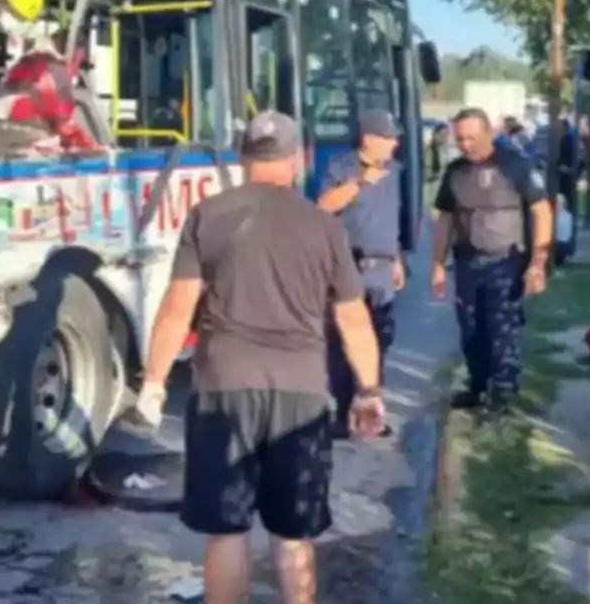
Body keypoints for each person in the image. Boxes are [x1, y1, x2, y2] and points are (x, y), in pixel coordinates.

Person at [133, 111, 384, 604]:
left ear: (244, 159)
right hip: (302, 394)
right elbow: (354, 320)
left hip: (224, 391)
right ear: (298, 160)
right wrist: (369, 391)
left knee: (227, 532)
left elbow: (176, 307)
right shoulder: (323, 226)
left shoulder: (209, 214)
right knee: (292, 535)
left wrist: (154, 381)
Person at [432, 108, 554, 417]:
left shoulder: (515, 164)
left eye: (472, 137)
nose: (466, 144)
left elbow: (542, 211)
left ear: (489, 132)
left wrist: (538, 260)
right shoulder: (455, 171)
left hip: (507, 262)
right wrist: (437, 262)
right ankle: (478, 385)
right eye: (460, 139)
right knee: (471, 328)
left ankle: (502, 392)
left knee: (502, 329)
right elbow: (445, 219)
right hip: (467, 263)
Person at [317, 110, 404, 439]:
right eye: (389, 137)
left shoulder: (394, 171)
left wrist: (396, 258)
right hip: (347, 267)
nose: (394, 144)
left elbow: (390, 218)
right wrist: (358, 183)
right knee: (341, 345)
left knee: (379, 342)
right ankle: (341, 414)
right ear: (369, 138)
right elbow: (324, 205)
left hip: (381, 268)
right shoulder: (341, 166)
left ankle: (371, 414)